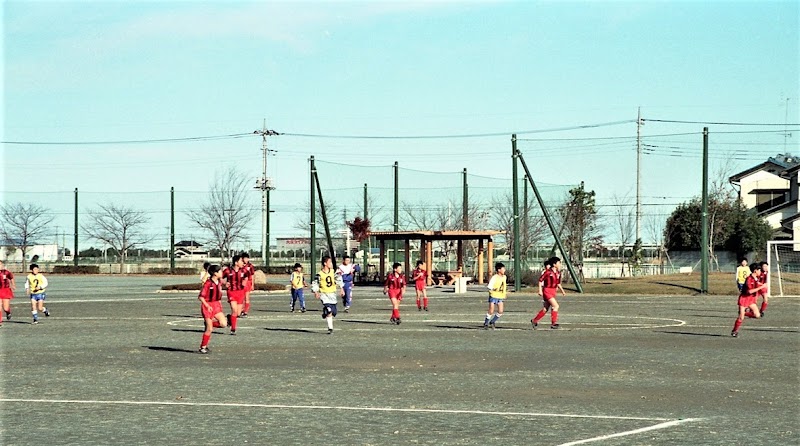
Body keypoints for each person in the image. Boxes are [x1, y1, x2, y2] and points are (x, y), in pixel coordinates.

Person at [198, 264, 228, 354]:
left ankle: (208, 324)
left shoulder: (219, 281)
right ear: (215, 273)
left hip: (216, 305)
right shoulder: (208, 283)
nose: (222, 272)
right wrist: (207, 305)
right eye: (220, 271)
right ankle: (203, 347)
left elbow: (222, 285)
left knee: (223, 324)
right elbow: (201, 297)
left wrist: (227, 284)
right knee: (209, 329)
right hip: (208, 306)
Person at [732, 263, 765, 337]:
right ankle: (735, 331)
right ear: (755, 271)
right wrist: (761, 287)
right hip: (744, 298)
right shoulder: (749, 279)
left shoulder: (755, 278)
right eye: (759, 270)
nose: (760, 271)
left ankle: (744, 313)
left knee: (757, 315)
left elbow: (757, 283)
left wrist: (762, 285)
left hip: (750, 299)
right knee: (741, 318)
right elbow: (750, 291)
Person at [532, 256, 566, 330]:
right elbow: (540, 280)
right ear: (554, 264)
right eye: (559, 263)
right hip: (547, 291)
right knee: (556, 306)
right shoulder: (548, 272)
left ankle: (534, 320)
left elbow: (558, 283)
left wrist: (562, 291)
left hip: (553, 291)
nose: (560, 264)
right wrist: (540, 290)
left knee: (545, 308)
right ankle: (553, 323)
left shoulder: (558, 273)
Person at [312, 256, 344, 334]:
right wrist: (316, 292)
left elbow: (338, 280)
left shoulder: (333, 272)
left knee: (333, 312)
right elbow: (315, 283)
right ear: (325, 263)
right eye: (329, 262)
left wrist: (341, 288)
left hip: (332, 294)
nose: (331, 264)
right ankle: (330, 328)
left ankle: (325, 312)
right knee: (329, 309)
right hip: (324, 294)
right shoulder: (319, 274)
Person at [222, 255, 248, 335]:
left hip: (240, 292)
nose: (242, 263)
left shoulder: (244, 270)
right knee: (234, 310)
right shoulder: (227, 271)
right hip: (231, 291)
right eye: (241, 261)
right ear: (236, 262)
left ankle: (230, 318)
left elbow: (246, 277)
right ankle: (233, 329)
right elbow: (220, 278)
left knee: (238, 313)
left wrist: (245, 282)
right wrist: (225, 283)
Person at [483, 262, 507, 329]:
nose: (504, 270)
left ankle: (493, 321)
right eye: (503, 269)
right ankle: (486, 323)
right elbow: (489, 286)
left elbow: (504, 286)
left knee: (500, 311)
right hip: (493, 295)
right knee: (491, 310)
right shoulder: (495, 277)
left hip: (500, 296)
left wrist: (504, 294)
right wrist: (494, 289)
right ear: (499, 270)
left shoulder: (504, 277)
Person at [0, 260, 16, 325]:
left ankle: (8, 312)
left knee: (5, 307)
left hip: (5, 290)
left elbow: (11, 277)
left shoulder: (6, 272)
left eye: (0, 264)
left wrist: (13, 284)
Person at [240, 252, 255, 318]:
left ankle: (245, 311)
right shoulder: (240, 265)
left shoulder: (250, 266)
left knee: (247, 297)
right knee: (241, 298)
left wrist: (252, 284)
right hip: (241, 283)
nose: (246, 260)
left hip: (248, 283)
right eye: (245, 258)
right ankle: (240, 310)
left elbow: (252, 275)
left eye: (247, 258)